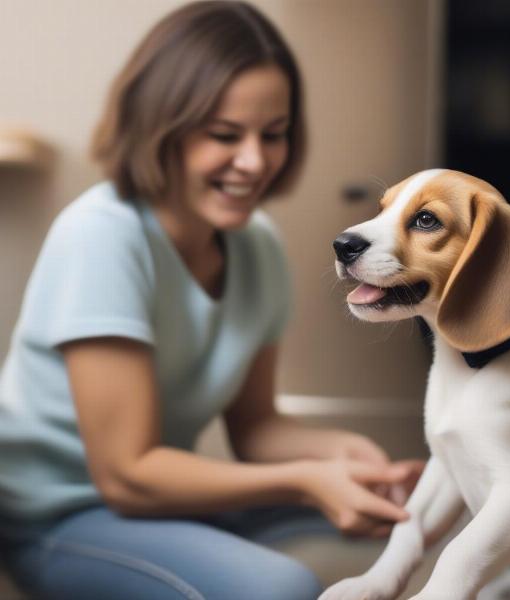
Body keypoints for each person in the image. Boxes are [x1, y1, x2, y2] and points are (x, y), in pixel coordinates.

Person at [0, 2, 424, 598]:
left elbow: (256, 428)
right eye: (225, 135)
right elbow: (126, 475)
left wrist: (344, 456)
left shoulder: (259, 247)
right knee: (279, 588)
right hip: (59, 517)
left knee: (412, 532)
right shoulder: (101, 234)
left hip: (155, 501)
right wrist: (306, 482)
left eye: (272, 134)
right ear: (160, 129)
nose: (254, 161)